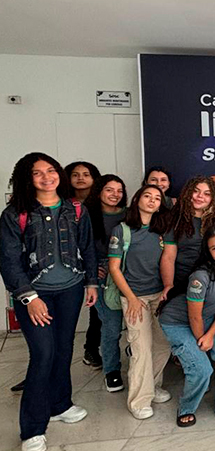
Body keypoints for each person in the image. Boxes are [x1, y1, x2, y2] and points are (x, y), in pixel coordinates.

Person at [0, 153, 98, 451]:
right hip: (34, 294)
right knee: (43, 354)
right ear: (27, 179)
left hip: (70, 289)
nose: (46, 177)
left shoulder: (76, 208)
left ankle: (60, 404)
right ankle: (32, 429)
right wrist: (29, 298)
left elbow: (87, 247)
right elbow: (9, 260)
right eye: (37, 173)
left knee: (64, 349)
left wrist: (91, 282)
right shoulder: (15, 213)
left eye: (51, 170)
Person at [158, 224, 215, 427]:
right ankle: (187, 408)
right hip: (178, 323)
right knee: (202, 369)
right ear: (208, 252)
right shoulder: (201, 277)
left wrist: (211, 334)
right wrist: (203, 343)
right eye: (214, 248)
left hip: (208, 319)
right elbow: (194, 317)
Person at [107, 184, 172, 420]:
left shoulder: (161, 230)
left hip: (158, 296)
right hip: (135, 297)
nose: (152, 200)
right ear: (136, 200)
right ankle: (139, 400)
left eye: (157, 198)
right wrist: (132, 299)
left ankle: (152, 386)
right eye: (147, 196)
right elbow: (114, 268)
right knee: (141, 348)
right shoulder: (122, 230)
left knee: (163, 344)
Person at [84, 174, 128, 392]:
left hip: (130, 271)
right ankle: (112, 370)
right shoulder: (87, 215)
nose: (115, 195)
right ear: (99, 191)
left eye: (119, 190)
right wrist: (90, 271)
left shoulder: (129, 214)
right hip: (102, 275)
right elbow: (79, 247)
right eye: (109, 190)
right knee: (111, 326)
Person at [161, 175, 215, 292]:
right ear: (188, 193)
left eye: (207, 194)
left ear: (213, 198)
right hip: (183, 281)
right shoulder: (176, 219)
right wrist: (168, 285)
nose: (200, 196)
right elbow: (168, 256)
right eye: (196, 191)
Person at [65, 160, 103, 369]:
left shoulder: (102, 202)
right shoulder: (61, 204)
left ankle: (92, 349)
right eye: (76, 174)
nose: (81, 178)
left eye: (86, 174)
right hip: (67, 266)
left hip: (95, 264)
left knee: (97, 312)